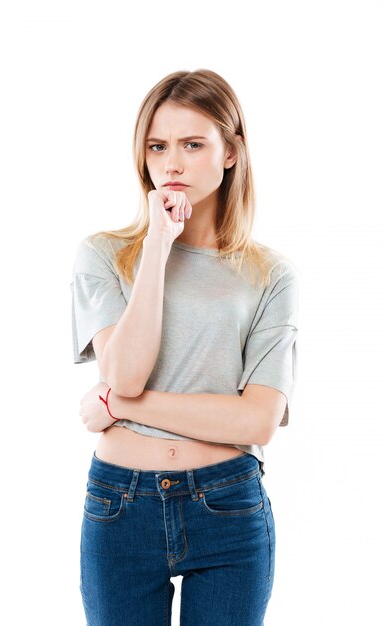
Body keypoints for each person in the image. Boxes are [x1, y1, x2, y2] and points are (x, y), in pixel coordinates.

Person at [70, 68, 299, 626]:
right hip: (119, 507)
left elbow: (257, 422)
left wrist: (119, 407)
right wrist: (156, 247)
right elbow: (123, 373)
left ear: (230, 152)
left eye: (193, 144)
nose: (171, 163)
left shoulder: (269, 273)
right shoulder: (104, 254)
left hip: (228, 505)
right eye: (157, 146)